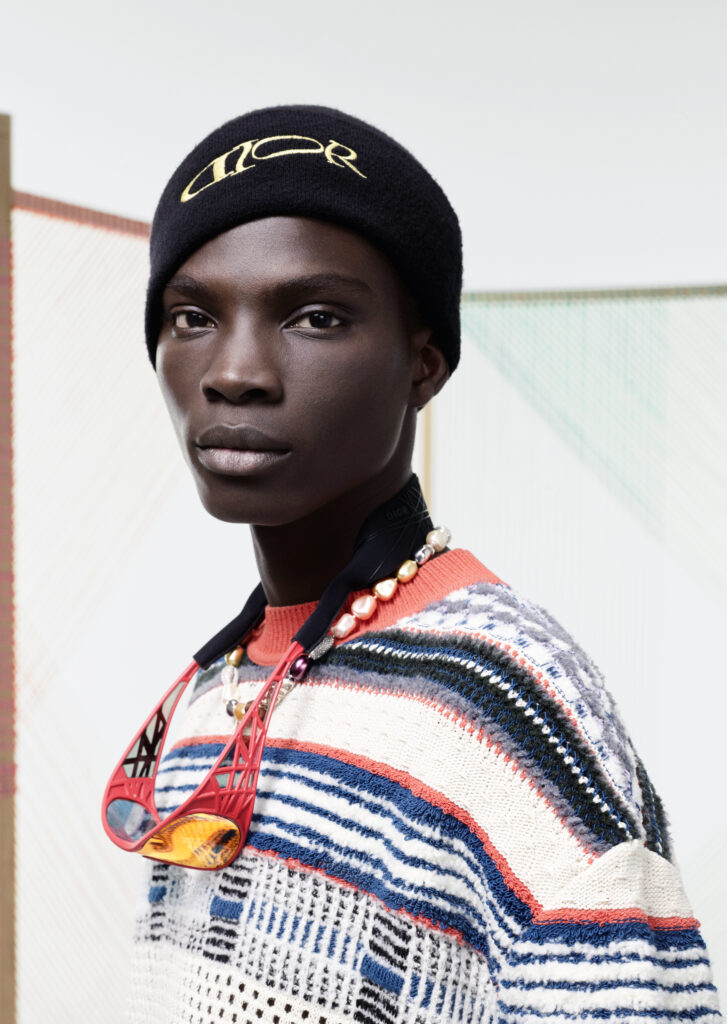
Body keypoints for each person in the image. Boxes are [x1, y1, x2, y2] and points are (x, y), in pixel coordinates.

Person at [104, 105, 721, 1024]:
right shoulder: (206, 699)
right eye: (192, 316)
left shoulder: (500, 702)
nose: (234, 372)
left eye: (315, 318)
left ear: (422, 364)